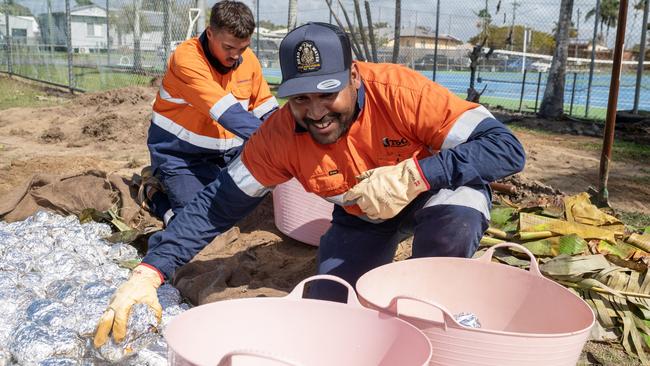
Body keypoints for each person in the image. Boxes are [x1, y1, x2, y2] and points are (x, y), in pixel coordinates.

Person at [94, 22, 525, 347]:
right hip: (362, 217)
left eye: (327, 94)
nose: (316, 112)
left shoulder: (401, 92)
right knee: (326, 307)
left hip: (437, 194)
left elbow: (506, 149)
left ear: (353, 77)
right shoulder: (278, 137)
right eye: (301, 98)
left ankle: (440, 324)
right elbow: (215, 206)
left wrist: (418, 174)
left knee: (454, 221)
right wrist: (150, 272)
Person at [141, 0, 278, 226]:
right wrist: (278, 141)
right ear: (210, 34)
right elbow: (226, 112)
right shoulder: (187, 58)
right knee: (194, 222)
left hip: (228, 155)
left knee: (249, 205)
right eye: (228, 48)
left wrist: (293, 132)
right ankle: (155, 193)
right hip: (182, 157)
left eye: (242, 48)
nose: (236, 55)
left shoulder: (249, 60)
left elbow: (265, 106)